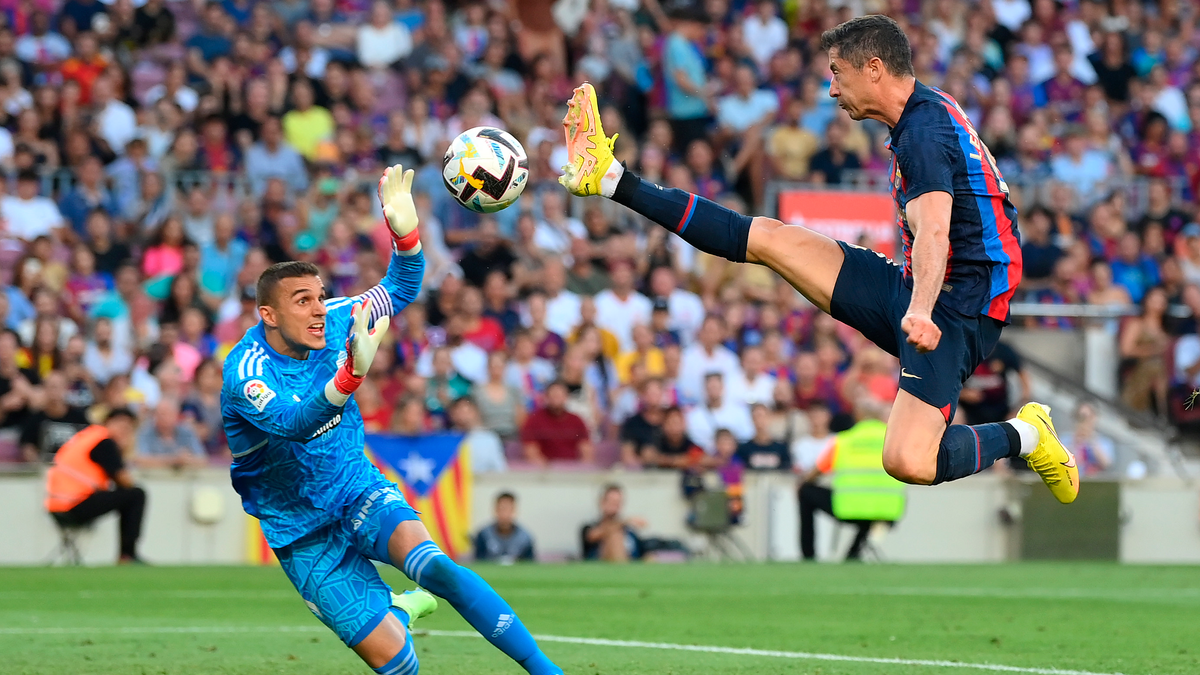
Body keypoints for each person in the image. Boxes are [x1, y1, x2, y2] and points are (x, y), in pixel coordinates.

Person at [557, 16, 1078, 507]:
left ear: (874, 68)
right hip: (919, 288)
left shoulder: (924, 132)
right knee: (768, 239)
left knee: (908, 461)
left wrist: (920, 310)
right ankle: (610, 178)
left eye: (837, 73)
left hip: (954, 312)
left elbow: (936, 229)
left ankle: (1027, 434)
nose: (831, 88)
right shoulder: (923, 113)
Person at [220, 166, 563, 675]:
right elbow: (293, 422)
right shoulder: (245, 372)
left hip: (356, 488)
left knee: (436, 567)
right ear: (268, 315)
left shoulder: (339, 317)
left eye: (319, 296)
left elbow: (401, 286)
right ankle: (400, 609)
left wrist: (405, 235)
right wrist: (350, 376)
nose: (319, 310)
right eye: (302, 301)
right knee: (398, 663)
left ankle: (547, 670)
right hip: (300, 531)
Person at [799, 399, 905, 561]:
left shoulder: (845, 440)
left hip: (849, 509)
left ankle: (809, 556)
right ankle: (853, 554)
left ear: (858, 416)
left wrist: (804, 481)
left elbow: (818, 471)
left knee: (805, 491)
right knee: (869, 516)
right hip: (888, 511)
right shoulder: (895, 440)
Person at [44, 408, 146, 564]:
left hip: (57, 503)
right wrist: (126, 450)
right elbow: (125, 481)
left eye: (128, 429)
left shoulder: (89, 436)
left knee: (127, 495)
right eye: (122, 426)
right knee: (136, 494)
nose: (124, 432)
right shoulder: (105, 441)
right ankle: (127, 555)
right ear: (108, 423)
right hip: (74, 503)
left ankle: (127, 555)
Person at [20, 369, 90, 462]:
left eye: (57, 387)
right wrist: (37, 464)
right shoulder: (35, 418)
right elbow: (27, 445)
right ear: (44, 389)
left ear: (66, 388)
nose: (54, 391)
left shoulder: (79, 417)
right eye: (50, 387)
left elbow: (89, 440)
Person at [519, 380, 594, 466]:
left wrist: (582, 469)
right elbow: (531, 451)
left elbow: (586, 450)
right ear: (546, 397)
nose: (556, 399)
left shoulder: (576, 420)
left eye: (559, 396)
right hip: (545, 472)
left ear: (566, 397)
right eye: (553, 396)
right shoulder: (534, 420)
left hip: (573, 470)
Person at [684, 372, 754, 454]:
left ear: (723, 387)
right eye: (710, 387)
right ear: (705, 389)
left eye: (716, 387)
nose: (713, 390)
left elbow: (745, 436)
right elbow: (693, 440)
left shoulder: (739, 412)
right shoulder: (694, 416)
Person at [133, 398, 207, 469]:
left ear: (176, 415)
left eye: (167, 413)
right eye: (160, 414)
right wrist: (173, 460)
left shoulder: (187, 432)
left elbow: (203, 460)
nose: (163, 418)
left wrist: (186, 460)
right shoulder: (145, 433)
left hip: (184, 479)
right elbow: (141, 461)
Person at [581, 484, 646, 562]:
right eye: (612, 502)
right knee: (615, 536)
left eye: (618, 503)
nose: (615, 506)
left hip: (631, 567)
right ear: (602, 502)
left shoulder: (630, 532)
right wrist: (626, 521)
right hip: (601, 568)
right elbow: (593, 536)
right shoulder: (589, 527)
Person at [449, 396, 508, 474]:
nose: (463, 416)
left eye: (467, 411)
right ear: (452, 414)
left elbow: (500, 468)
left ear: (476, 412)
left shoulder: (489, 438)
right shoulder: (447, 440)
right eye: (459, 411)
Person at [473, 492, 535, 563]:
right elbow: (478, 562)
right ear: (495, 510)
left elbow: (530, 564)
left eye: (508, 509)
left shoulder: (525, 538)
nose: (504, 514)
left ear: (514, 510)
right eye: (501, 509)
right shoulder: (484, 535)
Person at [736, 404, 792, 471]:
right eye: (756, 417)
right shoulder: (743, 449)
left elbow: (787, 472)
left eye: (762, 416)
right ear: (752, 420)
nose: (759, 421)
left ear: (770, 418)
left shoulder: (782, 448)